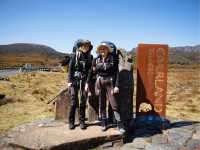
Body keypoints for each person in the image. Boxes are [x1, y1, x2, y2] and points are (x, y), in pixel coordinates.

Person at [90, 42, 125, 133]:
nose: (102, 50)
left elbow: (116, 73)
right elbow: (92, 72)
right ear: (99, 51)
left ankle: (120, 124)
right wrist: (87, 83)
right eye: (101, 49)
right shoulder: (96, 60)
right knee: (102, 104)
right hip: (100, 82)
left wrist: (117, 86)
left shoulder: (113, 59)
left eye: (104, 49)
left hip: (110, 82)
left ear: (108, 50)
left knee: (114, 104)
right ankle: (104, 123)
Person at [67, 39, 93, 130]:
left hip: (84, 81)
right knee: (74, 102)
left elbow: (90, 71)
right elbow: (70, 69)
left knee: (82, 101)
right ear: (80, 46)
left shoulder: (90, 57)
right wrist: (69, 81)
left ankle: (82, 121)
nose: (85, 47)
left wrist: (87, 83)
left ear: (89, 47)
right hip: (74, 81)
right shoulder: (75, 55)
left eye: (87, 46)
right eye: (83, 46)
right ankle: (71, 122)